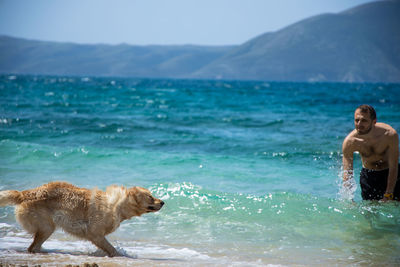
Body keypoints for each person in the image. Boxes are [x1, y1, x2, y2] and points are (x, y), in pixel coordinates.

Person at [342, 104, 400, 201]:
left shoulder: (389, 135)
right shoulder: (350, 142)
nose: (359, 124)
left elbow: (394, 166)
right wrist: (349, 199)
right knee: (370, 213)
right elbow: (347, 172)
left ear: (374, 122)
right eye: (357, 120)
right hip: (369, 177)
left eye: (364, 120)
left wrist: (389, 193)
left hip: (390, 173)